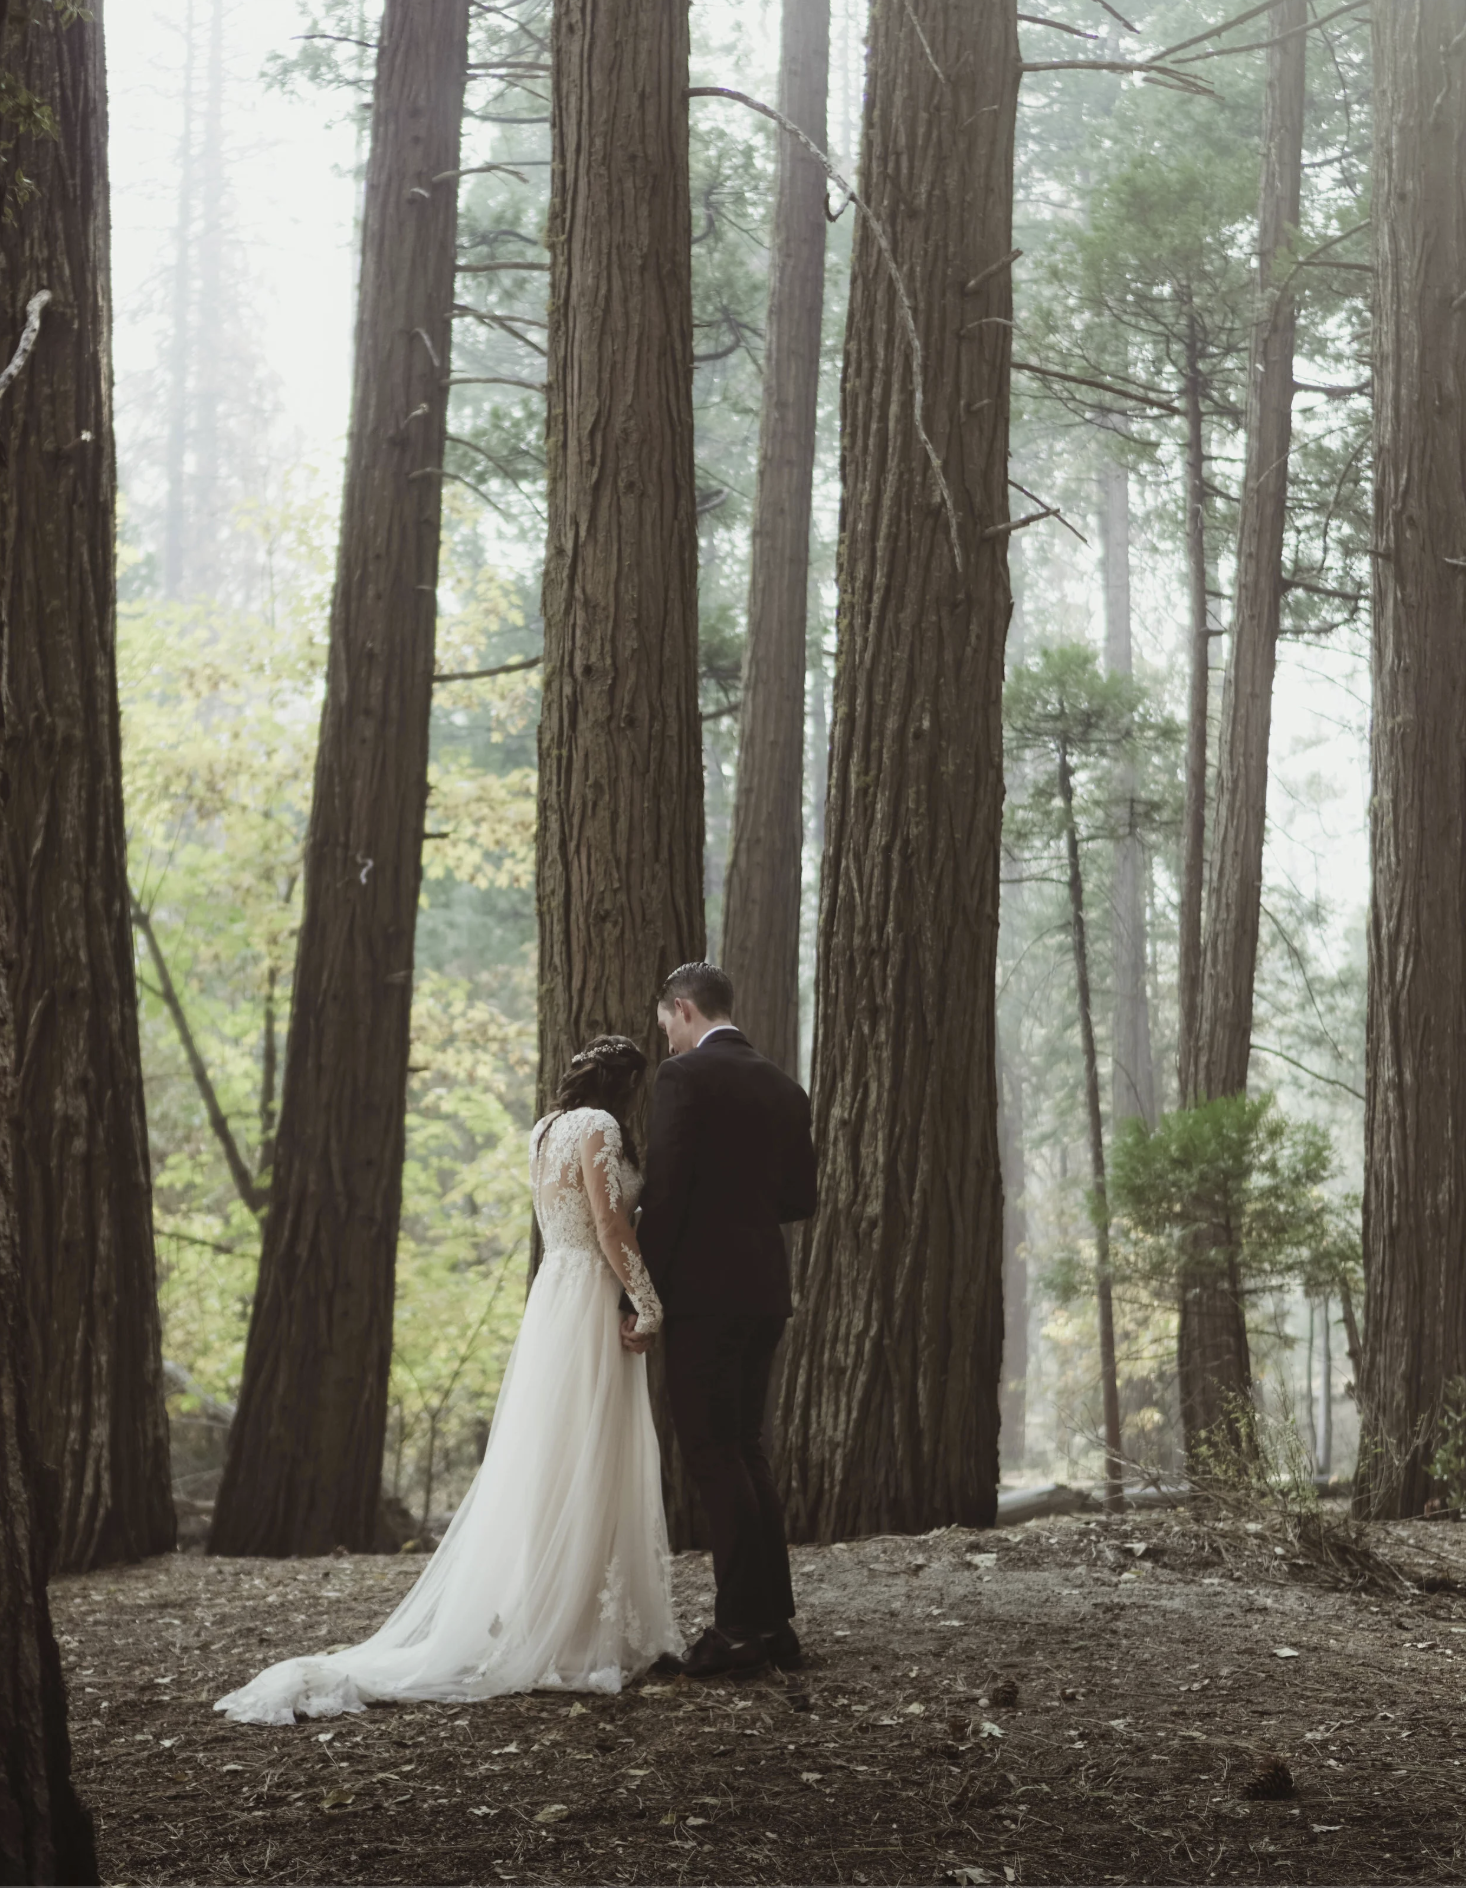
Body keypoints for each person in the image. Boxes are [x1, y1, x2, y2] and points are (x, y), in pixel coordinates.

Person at [214, 1036, 682, 1725]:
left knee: (552, 1454)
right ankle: (580, 1630)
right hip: (586, 1295)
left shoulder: (546, 1128)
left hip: (555, 1292)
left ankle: (560, 1608)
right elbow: (610, 1224)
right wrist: (648, 1301)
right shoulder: (602, 1128)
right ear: (627, 1086)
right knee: (588, 1450)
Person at [633, 961, 818, 1679]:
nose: (669, 1045)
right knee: (747, 1449)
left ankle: (739, 1629)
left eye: (668, 1028)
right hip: (765, 1289)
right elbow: (800, 1198)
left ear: (682, 1009)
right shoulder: (784, 1086)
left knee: (714, 1454)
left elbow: (670, 1194)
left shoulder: (684, 1081)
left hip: (704, 1294)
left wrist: (639, 1292)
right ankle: (774, 1627)